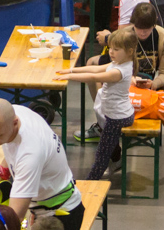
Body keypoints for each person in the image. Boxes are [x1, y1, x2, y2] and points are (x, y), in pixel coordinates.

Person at [0, 98, 84, 230]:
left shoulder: (30, 153)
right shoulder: (13, 114)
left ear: (14, 123)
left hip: (58, 217)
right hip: (44, 207)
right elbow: (12, 148)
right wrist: (0, 174)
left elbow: (15, 217)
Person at [59, 27, 139, 181]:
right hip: (116, 114)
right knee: (106, 146)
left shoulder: (119, 71)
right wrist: (72, 70)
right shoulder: (118, 63)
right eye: (110, 48)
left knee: (102, 154)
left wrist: (69, 76)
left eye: (116, 49)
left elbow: (94, 77)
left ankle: (90, 183)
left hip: (118, 118)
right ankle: (115, 162)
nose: (111, 52)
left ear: (129, 51)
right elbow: (95, 68)